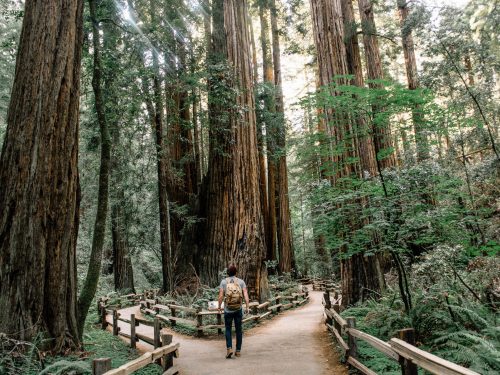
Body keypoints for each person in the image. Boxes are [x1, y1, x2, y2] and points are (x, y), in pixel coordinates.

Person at [218, 264, 250, 358]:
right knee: (238, 330)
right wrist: (247, 306)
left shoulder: (224, 282)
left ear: (227, 273)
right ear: (236, 272)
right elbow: (245, 295)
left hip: (228, 310)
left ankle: (229, 349)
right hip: (238, 309)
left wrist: (219, 307)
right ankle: (238, 351)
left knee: (228, 329)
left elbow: (220, 296)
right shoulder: (241, 282)